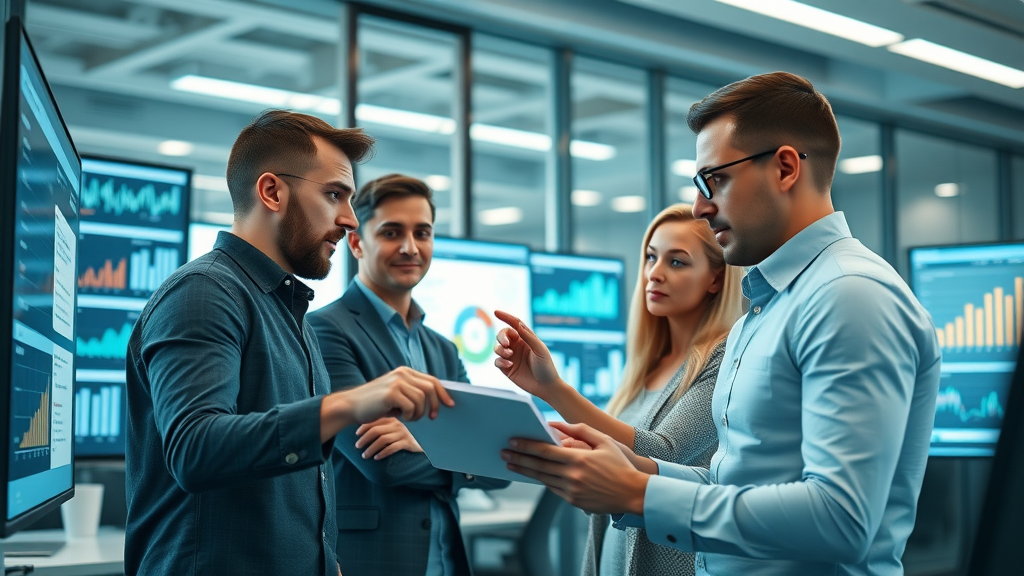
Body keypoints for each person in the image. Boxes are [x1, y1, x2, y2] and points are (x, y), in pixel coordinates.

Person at [501, 71, 941, 576]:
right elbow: (732, 483)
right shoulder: (768, 305)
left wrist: (639, 492)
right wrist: (636, 470)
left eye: (716, 179)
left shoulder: (849, 295)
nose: (699, 206)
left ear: (785, 168)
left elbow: (841, 519)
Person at [124, 112, 453, 576]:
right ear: (272, 192)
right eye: (334, 194)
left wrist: (323, 559)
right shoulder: (202, 293)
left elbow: (291, 481)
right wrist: (349, 404)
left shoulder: (286, 309)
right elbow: (195, 448)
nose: (349, 219)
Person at [493, 203, 744, 576]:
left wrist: (554, 389)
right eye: (650, 257)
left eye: (677, 262)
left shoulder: (724, 358)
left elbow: (660, 455)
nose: (653, 274)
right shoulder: (645, 366)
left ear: (716, 279)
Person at [308, 173, 509, 576]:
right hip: (371, 561)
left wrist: (418, 437)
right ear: (357, 242)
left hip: (446, 560)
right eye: (391, 232)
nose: (409, 247)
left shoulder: (441, 348)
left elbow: (501, 464)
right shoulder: (325, 331)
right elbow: (383, 464)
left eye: (423, 233)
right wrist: (458, 446)